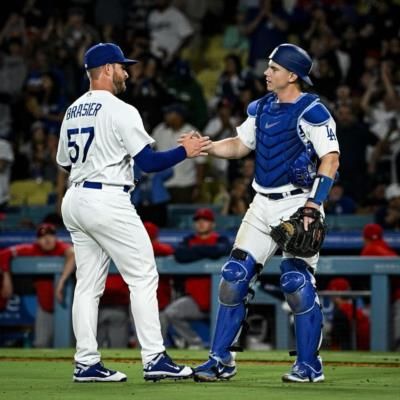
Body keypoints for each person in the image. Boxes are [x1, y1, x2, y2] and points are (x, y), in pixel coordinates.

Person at [56, 42, 210, 382]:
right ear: (108, 69)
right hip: (107, 200)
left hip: (76, 198)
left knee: (87, 285)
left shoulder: (71, 110)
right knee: (143, 276)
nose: (127, 72)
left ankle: (86, 362)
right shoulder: (121, 109)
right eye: (122, 67)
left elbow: (66, 163)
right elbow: (150, 162)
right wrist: (186, 150)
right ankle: (155, 358)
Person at [190, 43, 340, 383]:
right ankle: (220, 360)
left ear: (292, 75)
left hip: (299, 204)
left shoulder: (313, 111)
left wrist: (313, 205)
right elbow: (241, 145)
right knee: (233, 277)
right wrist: (210, 147)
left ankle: (309, 365)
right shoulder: (261, 108)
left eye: (273, 68)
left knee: (296, 282)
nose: (266, 73)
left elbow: (330, 158)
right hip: (261, 203)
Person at [159, 208, 231, 349]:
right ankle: (195, 343)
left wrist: (196, 251)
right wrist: (206, 251)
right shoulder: (189, 240)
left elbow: (220, 250)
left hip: (219, 298)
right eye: (198, 221)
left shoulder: (220, 239)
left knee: (234, 318)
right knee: (169, 313)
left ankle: (227, 350)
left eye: (205, 220)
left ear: (212, 224)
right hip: (194, 299)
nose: (201, 223)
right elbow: (180, 254)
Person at [0, 223, 75, 348]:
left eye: (50, 235)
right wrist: (6, 277)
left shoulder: (61, 247)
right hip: (44, 308)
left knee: (69, 345)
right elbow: (4, 254)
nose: (47, 239)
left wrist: (62, 280)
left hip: (66, 306)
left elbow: (72, 254)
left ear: (56, 237)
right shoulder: (33, 249)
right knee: (40, 345)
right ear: (37, 240)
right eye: (42, 236)